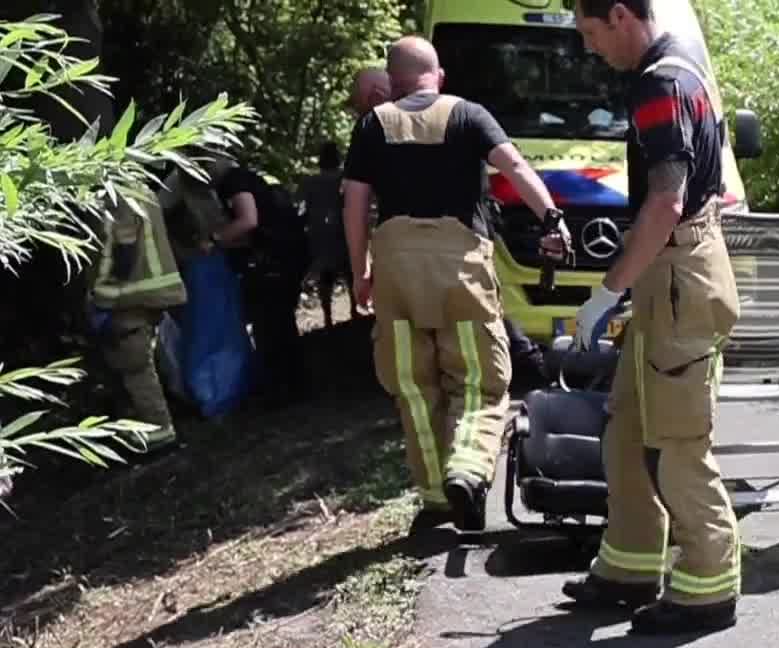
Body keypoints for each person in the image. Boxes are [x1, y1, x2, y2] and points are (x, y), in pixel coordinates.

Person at [342, 36, 570, 533]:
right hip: (459, 269)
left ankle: (434, 500)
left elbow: (355, 204)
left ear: (392, 81)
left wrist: (360, 271)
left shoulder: (371, 126)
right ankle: (465, 472)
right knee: (479, 383)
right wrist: (552, 217)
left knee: (414, 388)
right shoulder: (468, 115)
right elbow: (514, 166)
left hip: (396, 272)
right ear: (438, 75)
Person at [567, 0, 743, 635]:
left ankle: (708, 584)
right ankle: (632, 562)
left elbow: (666, 202)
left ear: (620, 15)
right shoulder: (679, 70)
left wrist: (606, 290)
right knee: (629, 427)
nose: (590, 48)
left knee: (678, 442)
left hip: (676, 278)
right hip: (667, 278)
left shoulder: (660, 83)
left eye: (590, 33)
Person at [88, 175, 186, 455]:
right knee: (146, 360)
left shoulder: (117, 195)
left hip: (129, 295)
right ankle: (160, 423)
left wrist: (102, 297)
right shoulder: (141, 188)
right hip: (151, 292)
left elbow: (123, 251)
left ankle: (158, 434)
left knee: (135, 367)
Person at [207, 153, 310, 405]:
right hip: (287, 256)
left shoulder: (235, 181)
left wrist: (215, 239)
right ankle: (292, 384)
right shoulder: (251, 177)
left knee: (270, 324)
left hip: (271, 261)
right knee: (280, 322)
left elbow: (248, 220)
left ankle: (281, 388)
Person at [300, 142, 348, 327]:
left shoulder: (310, 182)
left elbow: (301, 209)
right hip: (342, 233)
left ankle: (328, 317)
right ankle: (353, 310)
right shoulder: (344, 180)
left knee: (325, 278)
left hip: (319, 235)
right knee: (348, 273)